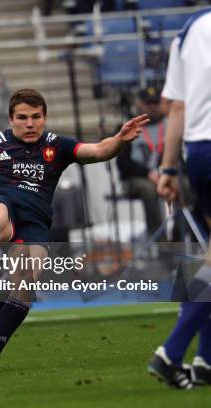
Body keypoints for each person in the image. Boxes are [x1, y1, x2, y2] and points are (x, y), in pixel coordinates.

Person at [0, 88, 149, 374]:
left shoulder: (57, 145)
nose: (30, 123)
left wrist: (119, 139)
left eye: (36, 117)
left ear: (44, 118)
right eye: (22, 117)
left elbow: (97, 151)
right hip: (5, 206)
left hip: (36, 224)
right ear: (11, 119)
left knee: (24, 287)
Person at [150, 9, 211, 389]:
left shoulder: (191, 28)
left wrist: (169, 168)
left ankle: (205, 360)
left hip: (199, 151)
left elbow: (175, 106)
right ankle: (171, 352)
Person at [117, 86, 166, 237]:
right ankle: (160, 240)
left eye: (155, 103)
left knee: (185, 185)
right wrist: (147, 173)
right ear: (140, 105)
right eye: (148, 103)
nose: (152, 107)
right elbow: (123, 163)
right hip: (137, 178)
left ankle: (184, 237)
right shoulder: (129, 127)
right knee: (149, 189)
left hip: (165, 174)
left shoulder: (169, 125)